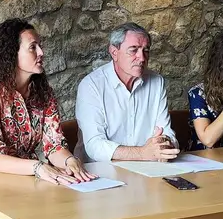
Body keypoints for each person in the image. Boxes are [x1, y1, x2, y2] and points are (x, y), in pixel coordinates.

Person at [0, 18, 95, 186]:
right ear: (11, 54)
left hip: (26, 180)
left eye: (40, 46)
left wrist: (69, 161)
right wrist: (37, 167)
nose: (41, 52)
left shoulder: (44, 94)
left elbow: (54, 145)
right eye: (33, 47)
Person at [74, 22, 181, 163]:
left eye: (146, 50)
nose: (142, 58)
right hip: (102, 173)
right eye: (133, 50)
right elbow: (95, 146)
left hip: (148, 171)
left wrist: (164, 144)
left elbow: (166, 132)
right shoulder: (92, 85)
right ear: (114, 52)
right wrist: (143, 153)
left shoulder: (157, 82)